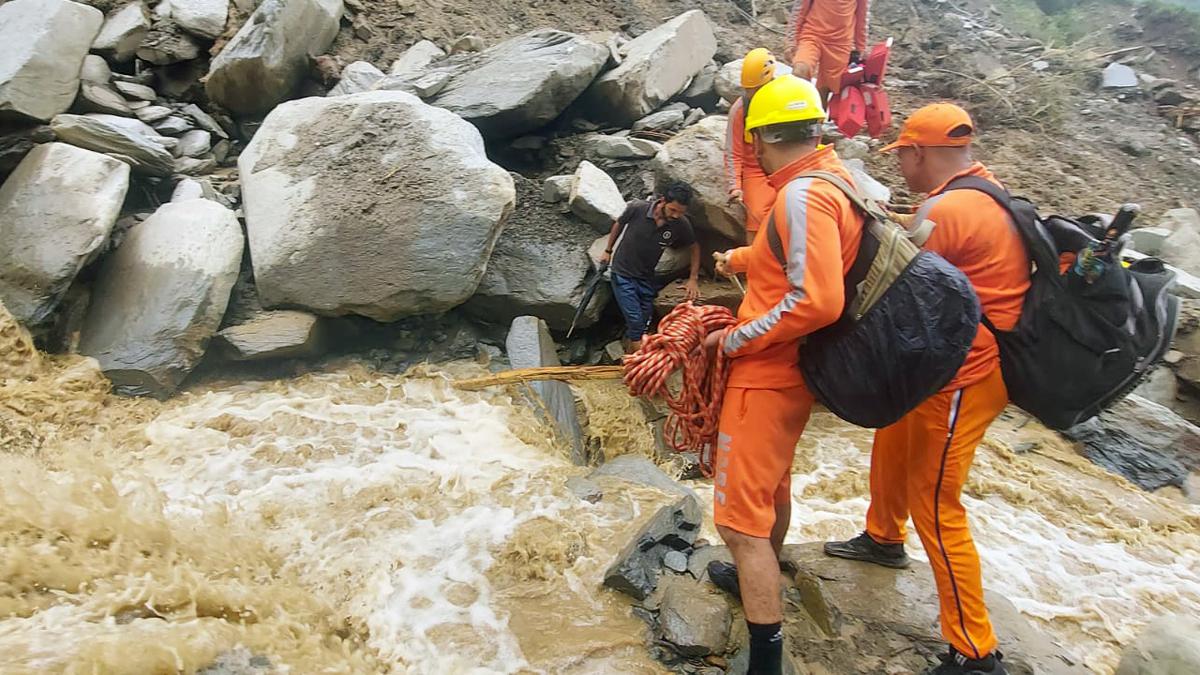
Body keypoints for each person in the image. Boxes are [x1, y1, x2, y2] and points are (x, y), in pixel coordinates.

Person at [824, 103, 1030, 675]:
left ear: (918, 152)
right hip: (943, 363)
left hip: (967, 373)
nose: (902, 167)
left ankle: (974, 649)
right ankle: (883, 536)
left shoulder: (947, 208)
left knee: (936, 502)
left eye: (903, 156)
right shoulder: (982, 191)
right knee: (892, 430)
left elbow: (895, 281)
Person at [705, 74, 865, 675]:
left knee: (737, 523)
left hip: (767, 372)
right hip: (800, 372)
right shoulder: (834, 180)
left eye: (756, 143)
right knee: (770, 489)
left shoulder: (799, 194)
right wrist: (743, 258)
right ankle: (761, 569)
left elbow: (817, 299)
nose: (754, 153)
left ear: (767, 134)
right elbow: (799, 250)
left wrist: (733, 339)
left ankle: (766, 658)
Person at [599, 183, 700, 351]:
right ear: (662, 201)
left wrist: (693, 278)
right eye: (673, 210)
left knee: (644, 319)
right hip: (623, 272)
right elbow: (619, 223)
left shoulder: (681, 223)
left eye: (681, 212)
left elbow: (694, 247)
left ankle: (631, 350)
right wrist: (608, 250)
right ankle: (640, 362)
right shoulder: (637, 208)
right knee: (635, 319)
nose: (676, 215)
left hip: (646, 276)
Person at [726, 48, 782, 242]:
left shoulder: (784, 99)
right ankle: (753, 262)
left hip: (785, 163)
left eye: (755, 89)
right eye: (748, 89)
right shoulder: (741, 109)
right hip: (755, 169)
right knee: (757, 214)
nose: (751, 94)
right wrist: (735, 186)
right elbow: (733, 151)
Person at [785, 0, 871, 98]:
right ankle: (799, 108)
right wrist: (791, 42)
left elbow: (862, 17)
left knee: (826, 89)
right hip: (812, 34)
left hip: (840, 43)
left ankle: (817, 111)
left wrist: (861, 48)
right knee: (800, 71)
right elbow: (800, 8)